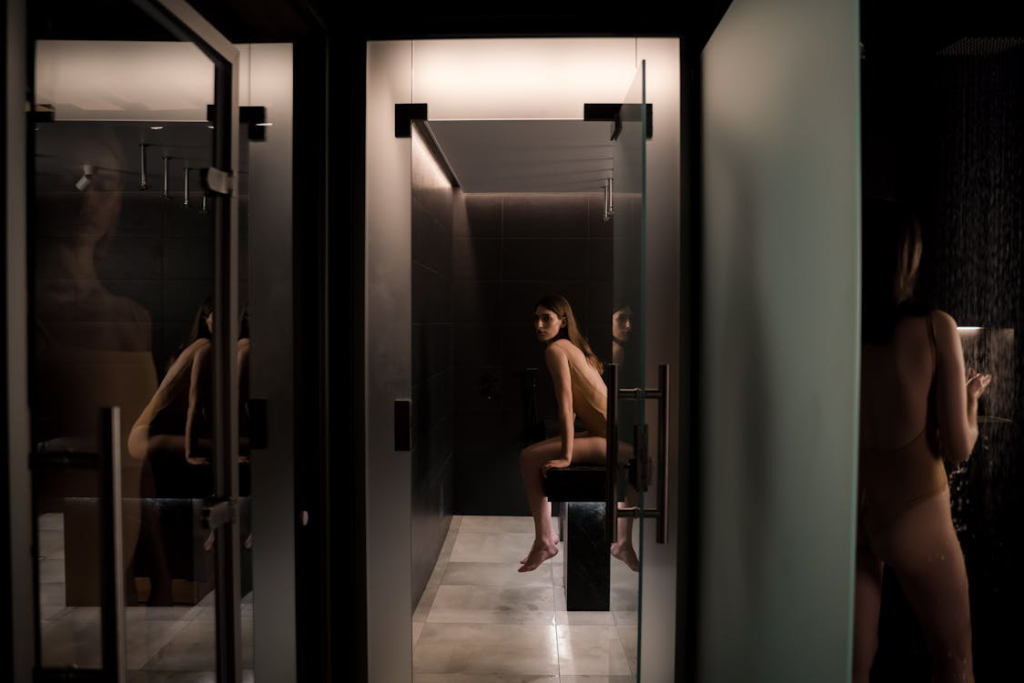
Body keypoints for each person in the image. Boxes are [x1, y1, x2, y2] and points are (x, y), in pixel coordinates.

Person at [854, 198, 991, 683]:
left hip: (859, 515)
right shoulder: (936, 328)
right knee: (953, 661)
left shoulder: (845, 328)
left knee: (852, 666)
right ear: (909, 257)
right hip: (918, 517)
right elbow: (958, 447)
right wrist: (972, 402)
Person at [517, 294, 639, 573]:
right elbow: (575, 409)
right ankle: (620, 542)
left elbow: (566, 405)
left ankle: (546, 539)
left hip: (614, 443)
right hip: (613, 437)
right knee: (534, 454)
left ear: (562, 321)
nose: (539, 324)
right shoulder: (571, 346)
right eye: (536, 318)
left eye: (546, 318)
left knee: (527, 458)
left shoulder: (556, 350)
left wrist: (566, 457)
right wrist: (565, 446)